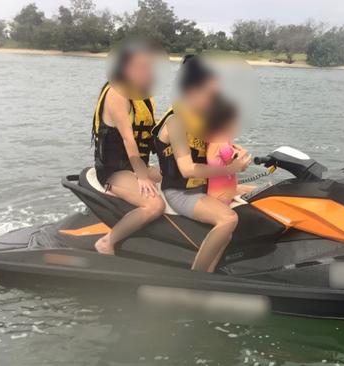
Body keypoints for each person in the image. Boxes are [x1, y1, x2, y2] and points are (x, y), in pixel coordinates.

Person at [153, 55, 252, 273]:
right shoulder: (176, 122)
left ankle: (212, 274)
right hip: (180, 192)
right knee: (228, 220)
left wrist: (236, 154)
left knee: (264, 192)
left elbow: (218, 149)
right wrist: (230, 169)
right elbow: (187, 169)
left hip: (205, 187)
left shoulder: (201, 119)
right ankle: (196, 278)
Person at [91, 41, 165, 255]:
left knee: (179, 181)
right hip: (115, 170)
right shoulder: (117, 94)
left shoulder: (143, 96)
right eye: (140, 67)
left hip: (137, 166)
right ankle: (107, 241)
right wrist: (142, 177)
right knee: (154, 206)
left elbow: (155, 131)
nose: (146, 72)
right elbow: (128, 139)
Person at [205, 96, 252, 204]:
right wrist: (242, 153)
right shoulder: (222, 143)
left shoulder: (211, 139)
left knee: (254, 189)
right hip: (222, 195)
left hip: (214, 192)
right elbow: (236, 164)